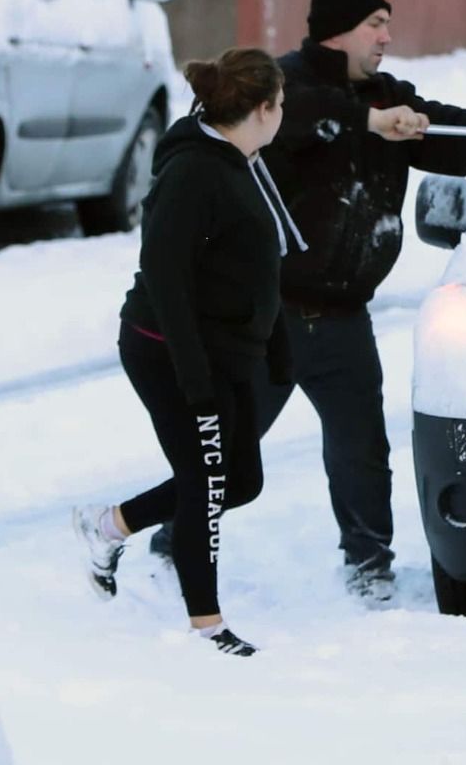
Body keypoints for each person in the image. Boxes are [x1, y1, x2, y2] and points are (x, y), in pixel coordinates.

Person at [151, 0, 466, 604]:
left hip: (344, 316)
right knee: (230, 444)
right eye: (375, 23)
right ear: (338, 29)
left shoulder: (389, 96)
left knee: (362, 450)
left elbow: (442, 133)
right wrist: (369, 123)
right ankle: (172, 539)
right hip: (271, 317)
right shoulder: (283, 90)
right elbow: (303, 125)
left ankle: (368, 563)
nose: (386, 37)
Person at [72, 48, 303, 657]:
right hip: (166, 351)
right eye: (281, 104)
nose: (284, 114)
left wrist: (275, 347)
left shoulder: (239, 159)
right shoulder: (194, 173)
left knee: (241, 480)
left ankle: (108, 525)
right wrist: (195, 381)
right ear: (261, 108)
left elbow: (258, 267)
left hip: (223, 351)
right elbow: (166, 278)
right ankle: (207, 625)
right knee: (205, 482)